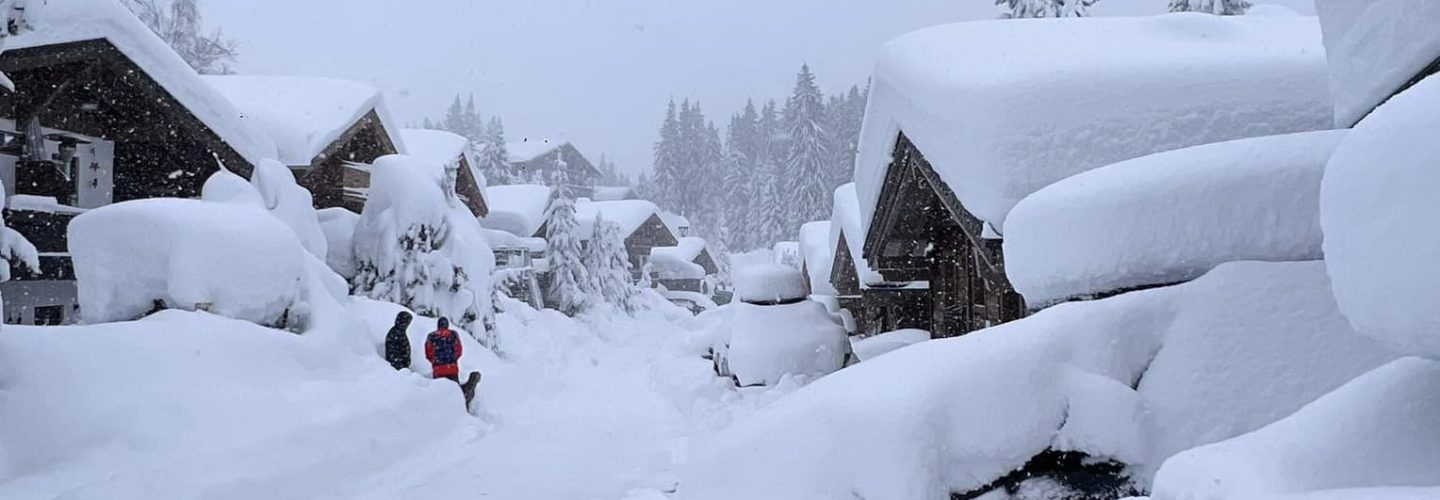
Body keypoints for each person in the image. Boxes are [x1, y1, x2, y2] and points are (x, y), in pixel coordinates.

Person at [425, 317, 463, 383]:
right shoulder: (453, 334)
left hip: (438, 369)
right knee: (455, 391)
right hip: (452, 369)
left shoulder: (431, 336)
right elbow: (459, 351)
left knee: (440, 391)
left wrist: (435, 361)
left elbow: (428, 353)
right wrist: (452, 360)